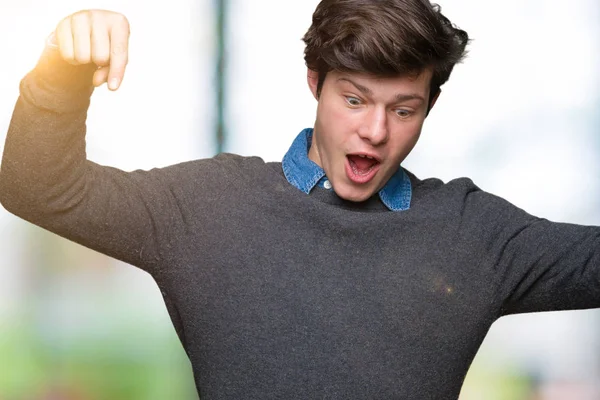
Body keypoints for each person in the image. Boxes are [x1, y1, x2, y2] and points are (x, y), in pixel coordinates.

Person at [0, 1, 598, 398]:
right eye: (356, 100)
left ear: (427, 109)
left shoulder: (474, 235)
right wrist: (61, 69)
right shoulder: (210, 208)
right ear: (315, 82)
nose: (375, 132)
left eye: (403, 110)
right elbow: (37, 186)